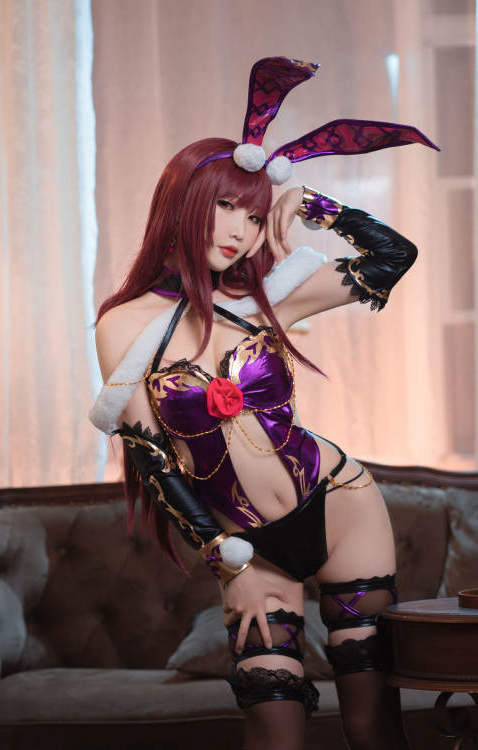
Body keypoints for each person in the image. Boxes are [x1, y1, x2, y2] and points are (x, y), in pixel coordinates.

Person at [90, 58, 437, 750]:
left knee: (372, 727)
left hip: (342, 506)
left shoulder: (268, 296)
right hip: (250, 546)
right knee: (275, 731)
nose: (239, 231)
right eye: (225, 207)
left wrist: (314, 207)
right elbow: (154, 462)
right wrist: (233, 565)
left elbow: (394, 257)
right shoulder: (125, 325)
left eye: (253, 216)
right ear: (183, 201)